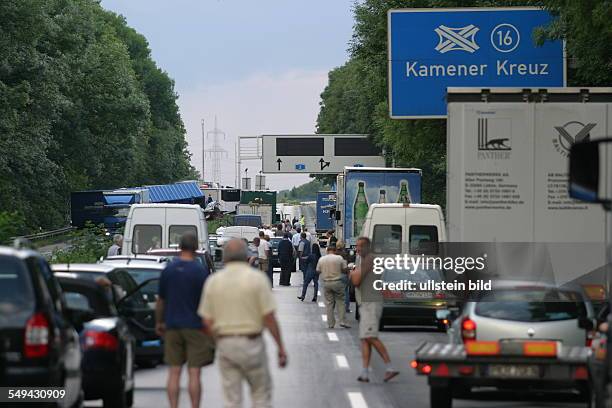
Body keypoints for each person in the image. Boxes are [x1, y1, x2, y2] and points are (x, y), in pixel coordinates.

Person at [198, 239, 287, 408]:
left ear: (224, 258)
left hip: (226, 344)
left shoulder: (213, 282)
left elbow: (206, 321)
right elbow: (269, 317)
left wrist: (218, 342)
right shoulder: (257, 279)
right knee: (261, 395)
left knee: (232, 399)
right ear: (247, 257)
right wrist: (280, 348)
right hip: (252, 343)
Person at [155, 233, 213, 408]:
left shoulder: (169, 270)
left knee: (174, 372)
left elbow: (160, 300)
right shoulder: (200, 272)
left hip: (172, 326)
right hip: (195, 326)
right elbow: (206, 301)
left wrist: (159, 322)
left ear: (180, 247)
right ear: (195, 248)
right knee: (194, 372)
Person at [351, 237, 399, 383]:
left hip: (371, 304)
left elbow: (356, 281)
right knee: (365, 338)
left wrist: (352, 273)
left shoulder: (369, 259)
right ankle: (365, 372)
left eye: (360, 246)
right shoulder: (366, 260)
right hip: (366, 303)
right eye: (357, 246)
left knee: (370, 336)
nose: (357, 249)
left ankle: (390, 367)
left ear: (367, 247)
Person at [316, 244, 350, 329]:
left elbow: (318, 270)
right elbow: (345, 269)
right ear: (334, 251)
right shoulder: (339, 258)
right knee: (340, 302)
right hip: (337, 282)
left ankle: (331, 323)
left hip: (327, 283)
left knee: (329, 304)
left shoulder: (322, 259)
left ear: (327, 251)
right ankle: (342, 321)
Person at [336, 240, 352, 314]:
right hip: (344, 274)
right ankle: (346, 307)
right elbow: (347, 265)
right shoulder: (345, 254)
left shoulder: (335, 254)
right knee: (346, 292)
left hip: (337, 274)